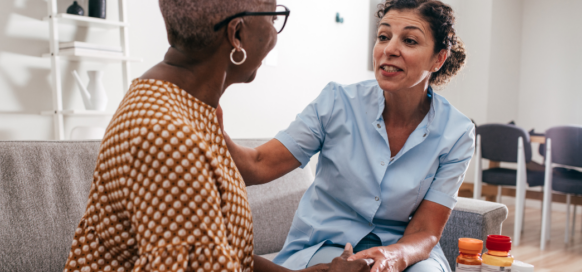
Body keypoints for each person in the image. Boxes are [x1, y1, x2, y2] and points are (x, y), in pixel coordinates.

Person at [62, 0, 371, 271]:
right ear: (236, 34)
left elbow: (214, 250)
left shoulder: (185, 106)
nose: (275, 36)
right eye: (273, 19)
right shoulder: (169, 140)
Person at [220, 0, 472, 271]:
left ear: (439, 58)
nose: (389, 49)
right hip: (324, 245)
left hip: (401, 248)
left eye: (409, 41)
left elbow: (426, 230)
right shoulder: (337, 102)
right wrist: (208, 116)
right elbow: (259, 164)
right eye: (383, 37)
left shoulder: (457, 133)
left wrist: (392, 257)